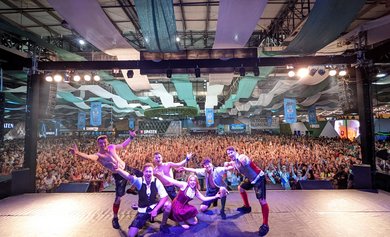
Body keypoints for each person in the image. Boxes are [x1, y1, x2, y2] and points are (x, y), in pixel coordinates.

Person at [69, 130, 143, 229]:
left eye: (104, 142)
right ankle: (115, 218)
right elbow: (89, 157)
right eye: (101, 143)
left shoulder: (112, 147)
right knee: (118, 198)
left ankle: (133, 190)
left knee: (143, 177)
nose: (103, 144)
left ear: (107, 142)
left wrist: (131, 137)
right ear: (98, 144)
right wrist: (77, 153)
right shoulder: (98, 156)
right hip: (118, 175)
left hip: (126, 167)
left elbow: (122, 146)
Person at [114, 162, 171, 236]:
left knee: (168, 205)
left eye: (150, 171)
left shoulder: (156, 181)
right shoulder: (139, 181)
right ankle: (146, 219)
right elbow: (129, 177)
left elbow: (164, 197)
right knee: (131, 235)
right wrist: (118, 170)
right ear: (143, 172)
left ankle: (163, 225)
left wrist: (155, 209)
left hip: (154, 207)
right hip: (143, 210)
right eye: (146, 171)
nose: (148, 173)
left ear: (152, 172)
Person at [225, 146, 270, 237]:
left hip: (258, 178)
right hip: (250, 179)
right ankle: (247, 207)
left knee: (262, 201)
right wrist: (229, 163)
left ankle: (265, 225)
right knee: (240, 188)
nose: (230, 155)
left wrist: (235, 163)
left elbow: (245, 161)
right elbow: (234, 163)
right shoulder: (235, 162)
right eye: (228, 153)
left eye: (231, 152)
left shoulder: (242, 157)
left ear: (235, 151)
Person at [155, 170, 222, 229]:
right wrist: (163, 175)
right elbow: (173, 181)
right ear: (188, 181)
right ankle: (179, 220)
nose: (192, 182)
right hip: (177, 206)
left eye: (194, 181)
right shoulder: (184, 185)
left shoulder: (195, 191)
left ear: (196, 182)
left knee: (194, 222)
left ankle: (183, 218)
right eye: (191, 180)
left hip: (184, 206)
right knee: (185, 221)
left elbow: (204, 198)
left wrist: (216, 196)